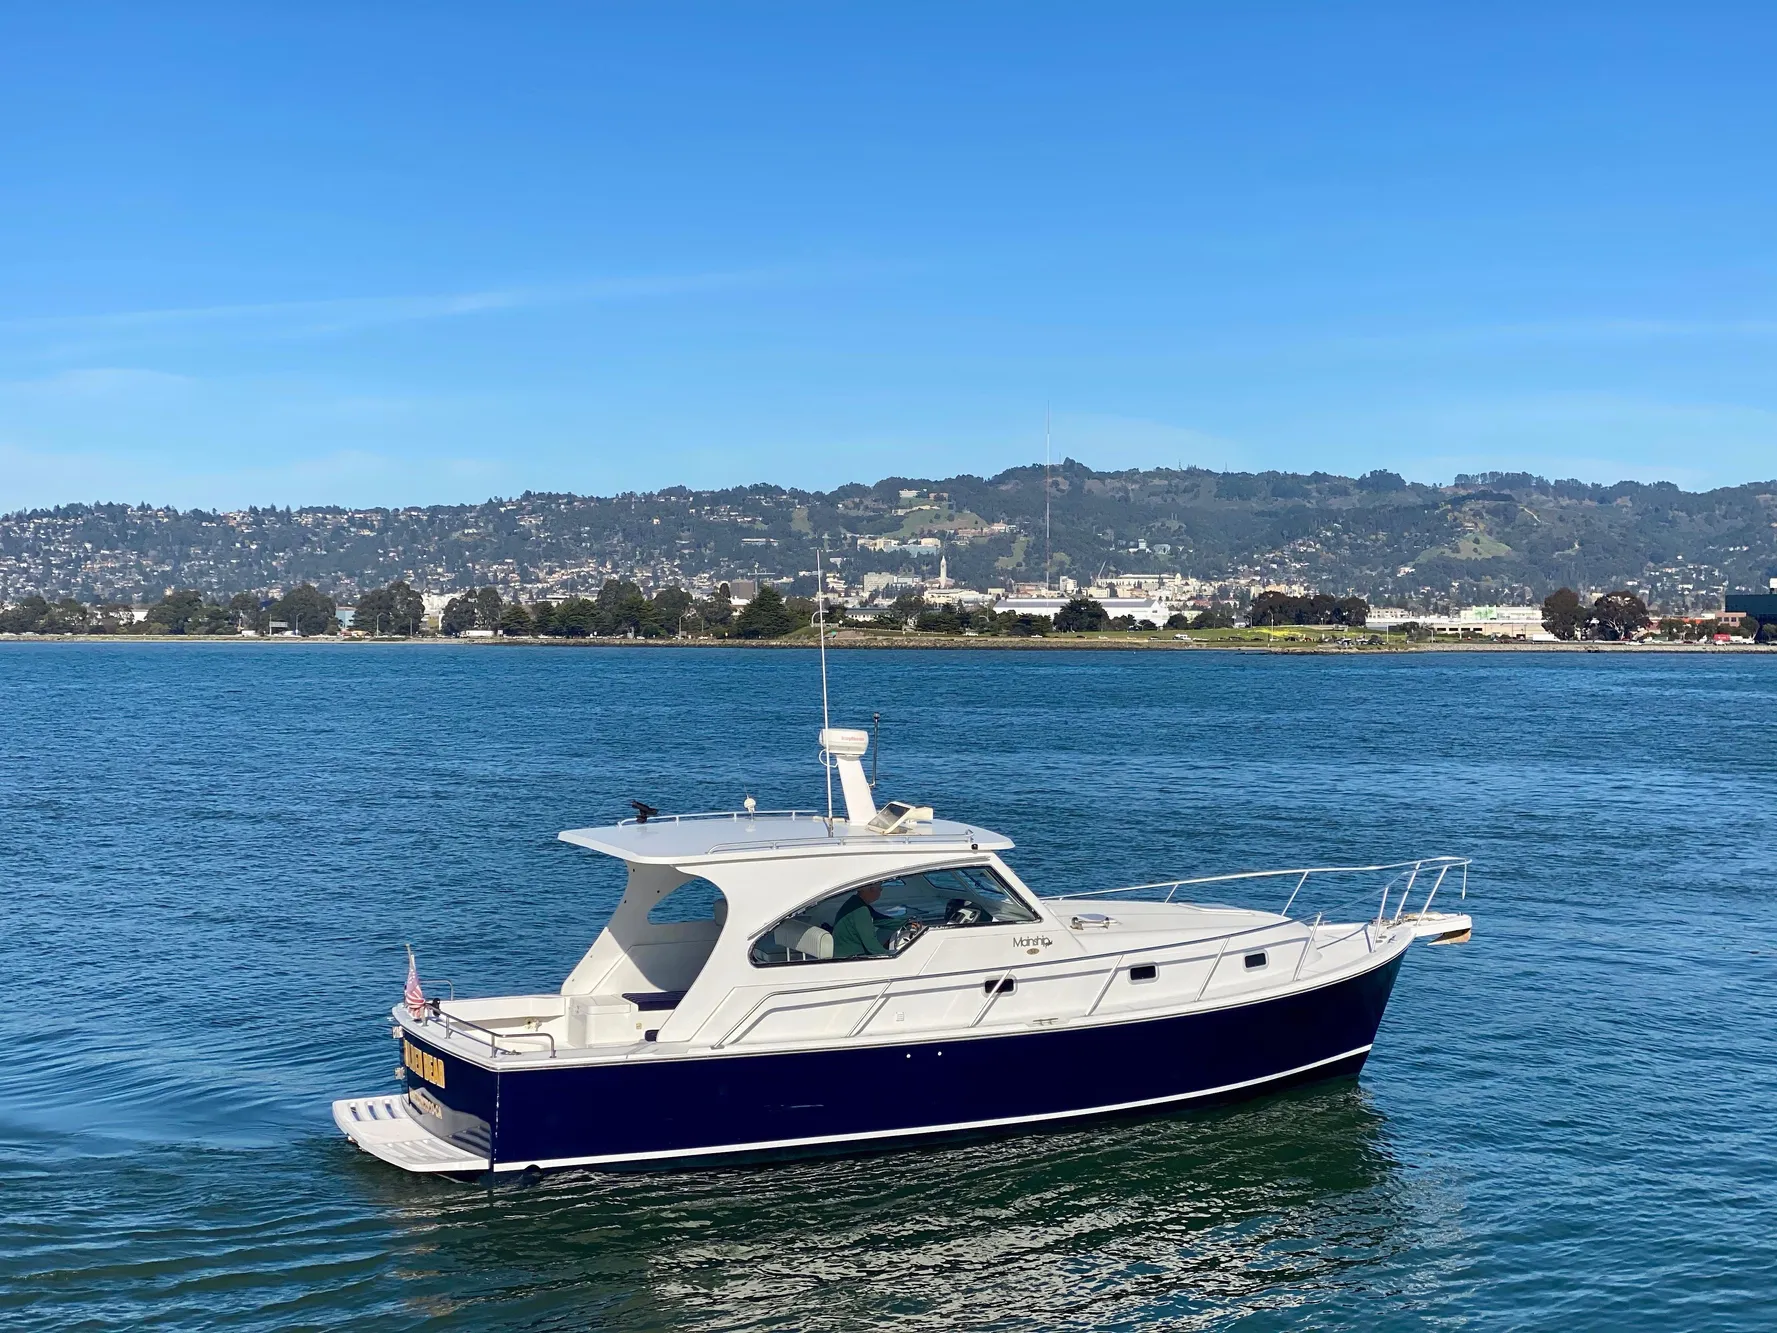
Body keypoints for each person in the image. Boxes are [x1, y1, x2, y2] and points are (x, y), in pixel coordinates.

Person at [830, 882, 903, 959]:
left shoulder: (856, 903)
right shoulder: (860, 910)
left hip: (846, 957)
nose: (881, 890)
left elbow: (884, 921)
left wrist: (907, 922)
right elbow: (872, 946)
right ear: (871, 889)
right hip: (851, 959)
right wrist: (896, 954)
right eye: (879, 887)